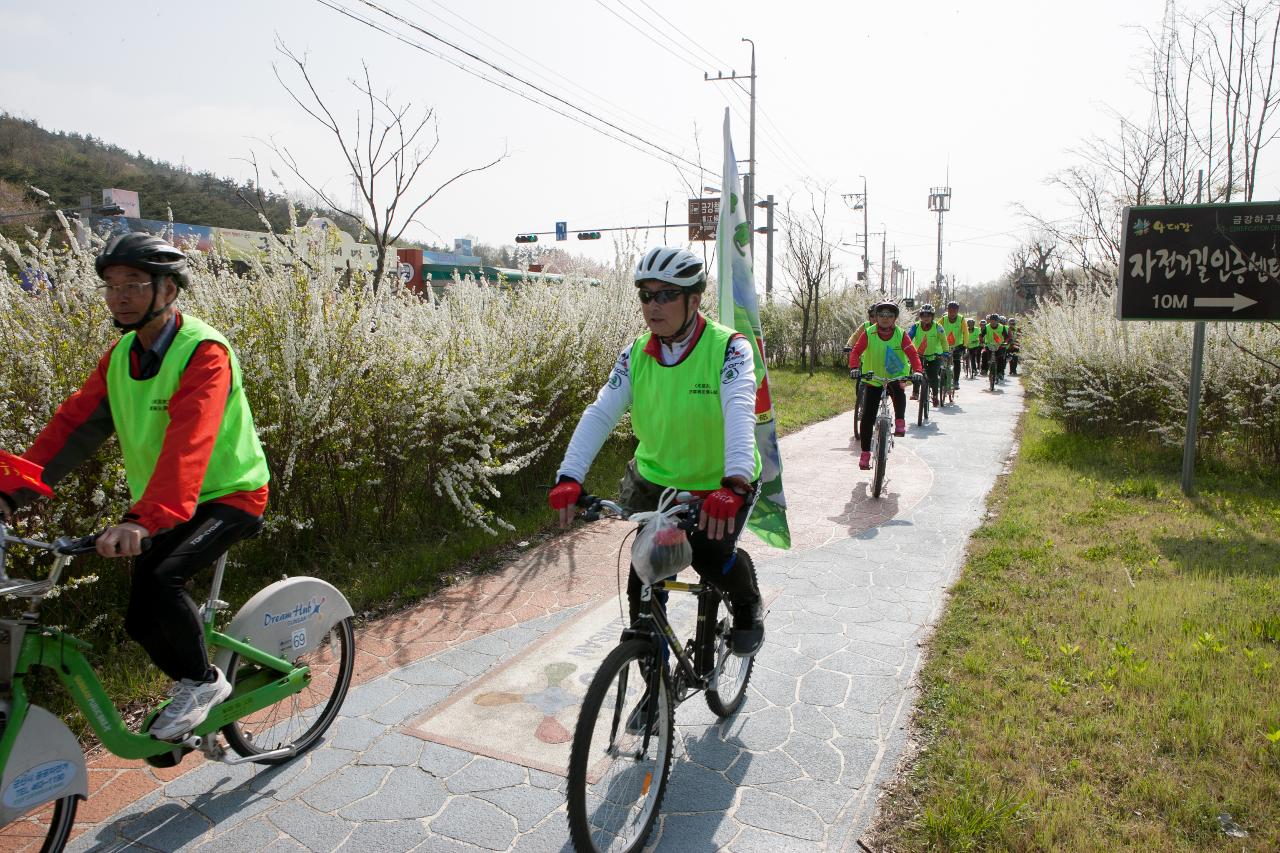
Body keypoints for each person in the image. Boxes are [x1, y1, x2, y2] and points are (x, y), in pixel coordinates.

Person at [0, 233, 270, 742]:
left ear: (168, 289)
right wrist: (10, 493)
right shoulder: (121, 354)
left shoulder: (204, 351)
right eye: (111, 285)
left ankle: (204, 683)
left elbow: (190, 441)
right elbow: (71, 429)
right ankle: (197, 698)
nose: (119, 296)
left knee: (162, 580)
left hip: (231, 494)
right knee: (139, 620)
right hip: (166, 505)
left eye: (134, 284)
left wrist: (141, 520)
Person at [547, 246, 765, 657]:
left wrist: (735, 482)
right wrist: (569, 477)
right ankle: (654, 681)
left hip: (719, 485)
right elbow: (600, 413)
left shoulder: (730, 349)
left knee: (711, 561)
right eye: (646, 295)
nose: (653, 305)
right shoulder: (635, 355)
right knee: (643, 578)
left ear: (693, 300)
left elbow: (739, 408)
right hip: (655, 480)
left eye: (666, 295)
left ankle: (748, 604)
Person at [847, 301, 924, 470]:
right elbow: (856, 351)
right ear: (876, 317)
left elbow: (912, 354)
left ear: (895, 318)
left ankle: (900, 421)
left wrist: (917, 370)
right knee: (867, 417)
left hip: (896, 375)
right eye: (881, 315)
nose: (885, 318)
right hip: (873, 378)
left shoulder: (901, 334)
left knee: (899, 391)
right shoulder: (869, 333)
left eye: (889, 315)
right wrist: (854, 367)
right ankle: (865, 454)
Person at [907, 304, 949, 406]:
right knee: (916, 373)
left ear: (932, 317)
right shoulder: (915, 326)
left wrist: (945, 352)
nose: (926, 318)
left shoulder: (938, 327)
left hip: (935, 355)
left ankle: (935, 396)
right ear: (920, 316)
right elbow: (908, 338)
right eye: (923, 316)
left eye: (928, 316)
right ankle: (915, 392)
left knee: (933, 376)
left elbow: (944, 341)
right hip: (919, 355)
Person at [939, 301, 967, 395]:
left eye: (954, 311)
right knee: (941, 362)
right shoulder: (943, 319)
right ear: (947, 310)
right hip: (945, 345)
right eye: (950, 311)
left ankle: (956, 381)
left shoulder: (961, 319)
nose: (952, 313)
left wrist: (965, 345)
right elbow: (935, 328)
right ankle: (943, 380)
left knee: (956, 361)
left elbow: (965, 333)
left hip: (957, 345)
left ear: (957, 311)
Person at [981, 313, 1010, 382]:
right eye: (992, 320)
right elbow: (981, 335)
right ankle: (984, 369)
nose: (993, 322)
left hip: (999, 346)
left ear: (998, 321)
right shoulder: (986, 327)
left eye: (995, 320)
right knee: (984, 353)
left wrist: (1005, 343)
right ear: (990, 321)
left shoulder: (1002, 327)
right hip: (989, 345)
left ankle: (1000, 373)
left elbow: (1006, 337)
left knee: (1001, 358)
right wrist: (981, 341)